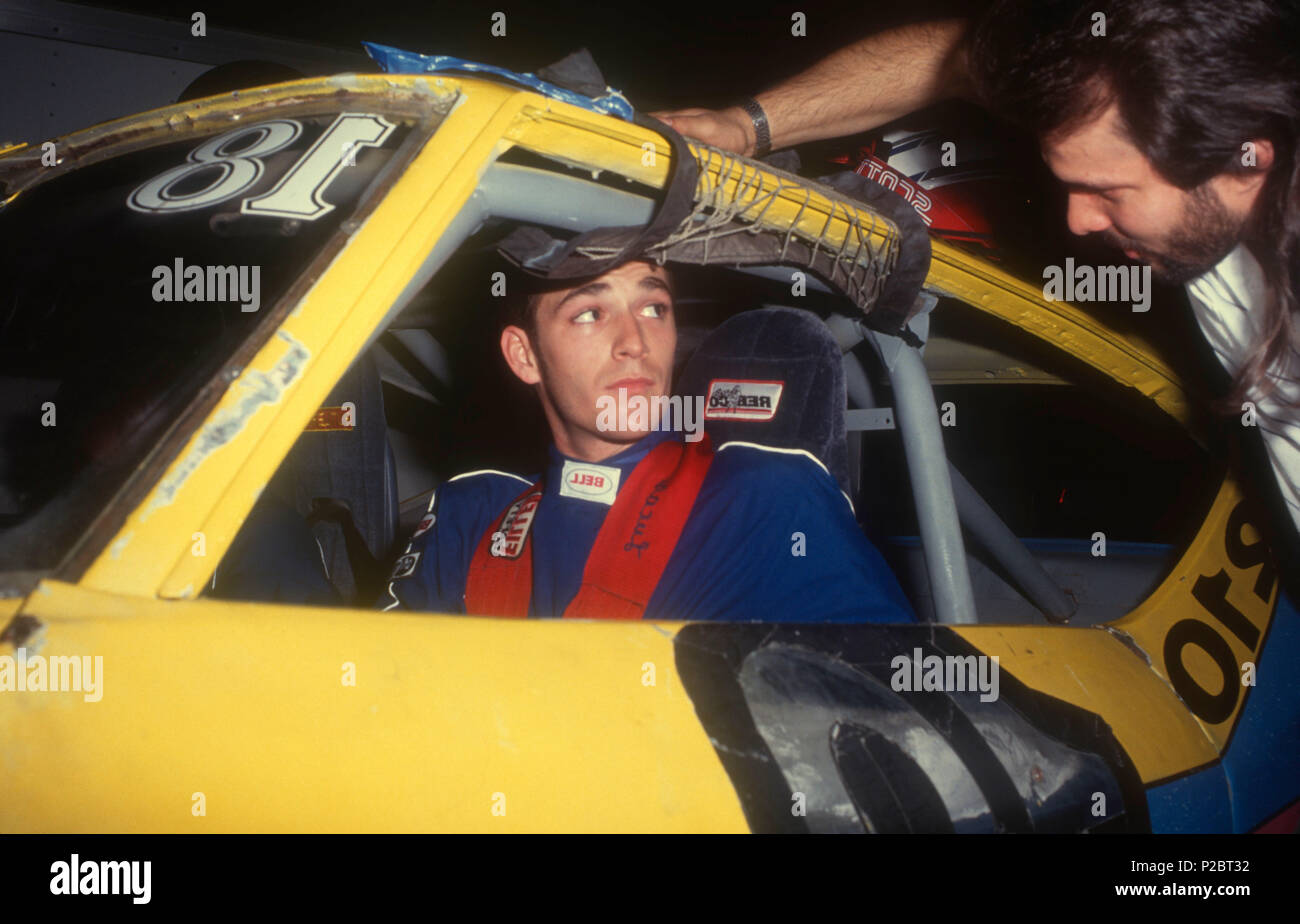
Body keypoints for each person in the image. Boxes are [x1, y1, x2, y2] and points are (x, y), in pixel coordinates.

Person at [654, 0, 1300, 579]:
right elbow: (952, 55)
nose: (1079, 221)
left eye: (1109, 192)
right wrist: (744, 128)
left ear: (1247, 164)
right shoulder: (1152, 104)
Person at [382, 258, 915, 621]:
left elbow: (899, 730)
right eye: (590, 313)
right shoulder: (470, 514)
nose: (635, 342)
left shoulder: (765, 499)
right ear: (524, 356)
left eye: (653, 308)